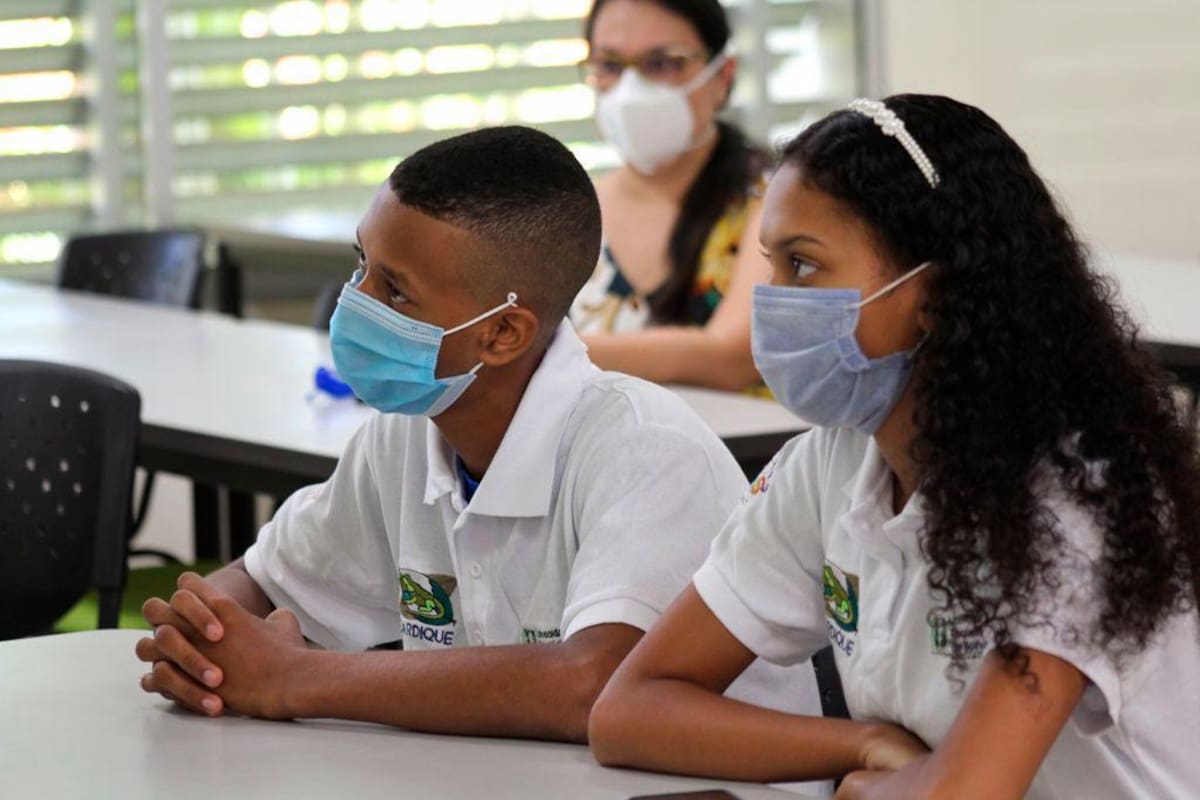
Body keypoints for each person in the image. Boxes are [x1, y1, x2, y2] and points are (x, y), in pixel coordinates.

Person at [588, 95, 1200, 798]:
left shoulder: (1073, 494)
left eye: (803, 266)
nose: (774, 299)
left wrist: (863, 790)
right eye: (771, 265)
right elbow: (628, 711)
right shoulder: (833, 463)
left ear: (934, 294)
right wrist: (863, 746)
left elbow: (962, 794)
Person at [133, 125, 820, 743]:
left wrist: (295, 679)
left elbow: (593, 685)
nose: (354, 303)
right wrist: (205, 639)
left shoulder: (645, 450)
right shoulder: (403, 438)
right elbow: (261, 581)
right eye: (360, 265)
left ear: (502, 333)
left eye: (395, 291)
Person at [571, 0, 771, 392]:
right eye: (609, 65)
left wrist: (538, 355)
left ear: (722, 76)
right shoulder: (568, 217)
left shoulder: (779, 200)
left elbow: (732, 357)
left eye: (662, 63)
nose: (630, 91)